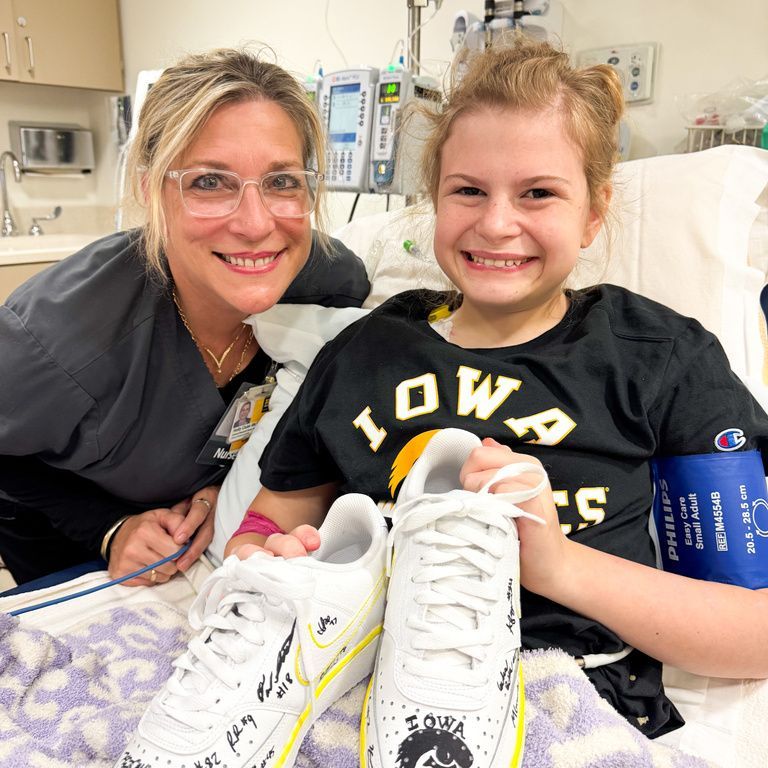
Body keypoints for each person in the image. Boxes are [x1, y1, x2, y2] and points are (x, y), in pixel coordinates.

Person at [219, 36, 768, 740]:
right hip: (356, 687)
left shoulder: (656, 356)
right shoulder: (366, 351)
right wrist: (265, 562)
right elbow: (262, 526)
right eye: (468, 191)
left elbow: (752, 634)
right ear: (436, 201)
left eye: (538, 193)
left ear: (594, 211)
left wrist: (558, 566)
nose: (497, 223)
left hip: (564, 696)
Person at [0, 47, 369, 587]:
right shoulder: (57, 336)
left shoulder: (329, 283)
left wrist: (232, 482)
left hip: (199, 537)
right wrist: (107, 529)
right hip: (61, 532)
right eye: (209, 182)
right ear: (152, 191)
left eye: (282, 180)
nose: (254, 223)